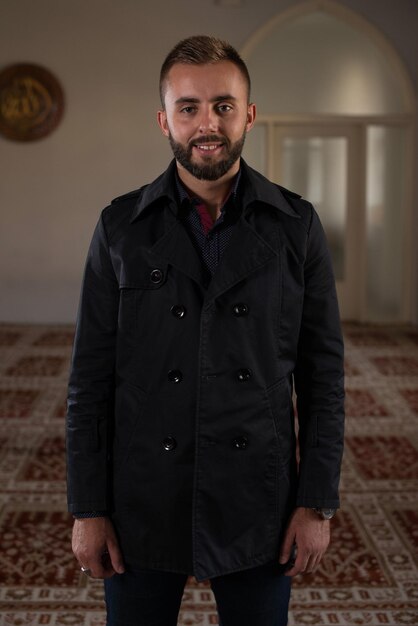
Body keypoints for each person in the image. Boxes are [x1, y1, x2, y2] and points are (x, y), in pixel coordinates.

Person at [66, 35, 345, 626]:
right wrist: (88, 508)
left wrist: (316, 503)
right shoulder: (120, 228)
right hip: (141, 496)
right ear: (164, 119)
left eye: (223, 104)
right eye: (189, 107)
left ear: (248, 114)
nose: (207, 123)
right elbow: (89, 381)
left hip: (258, 498)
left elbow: (324, 378)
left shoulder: (296, 226)